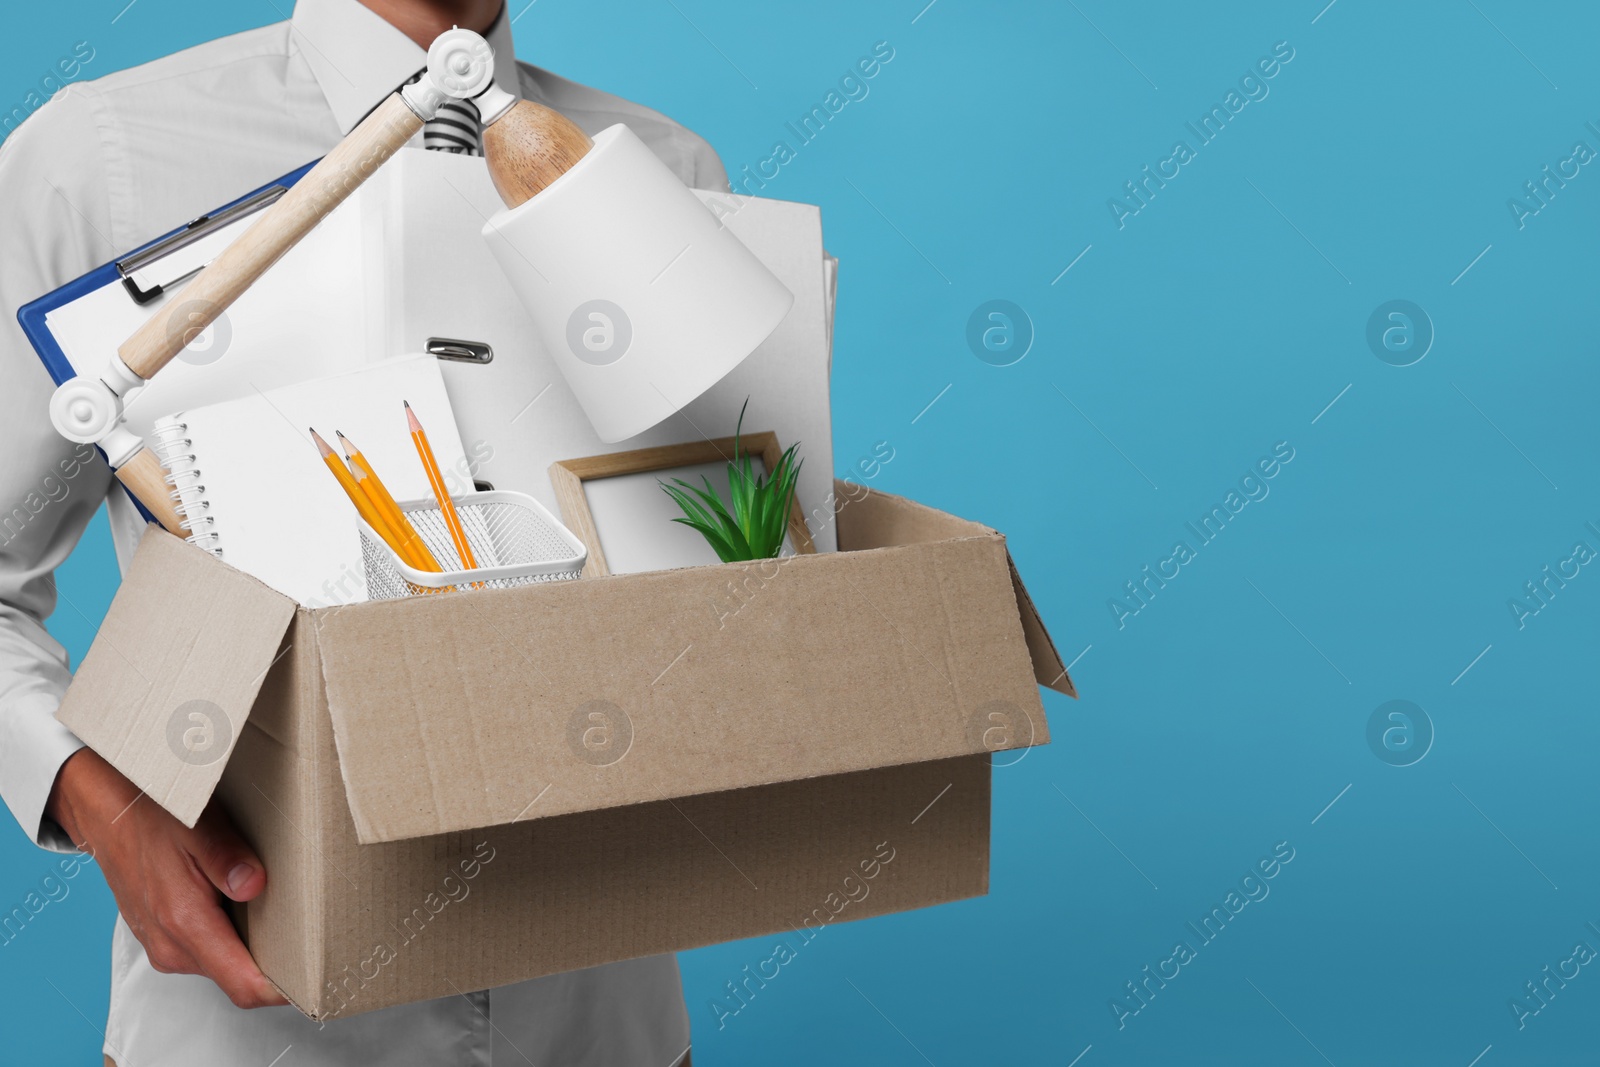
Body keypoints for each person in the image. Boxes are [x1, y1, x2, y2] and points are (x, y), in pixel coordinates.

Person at [0, 1, 726, 1062]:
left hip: (605, 1021)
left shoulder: (660, 166)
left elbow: (728, 556)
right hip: (257, 1022)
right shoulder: (101, 156)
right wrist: (99, 805)